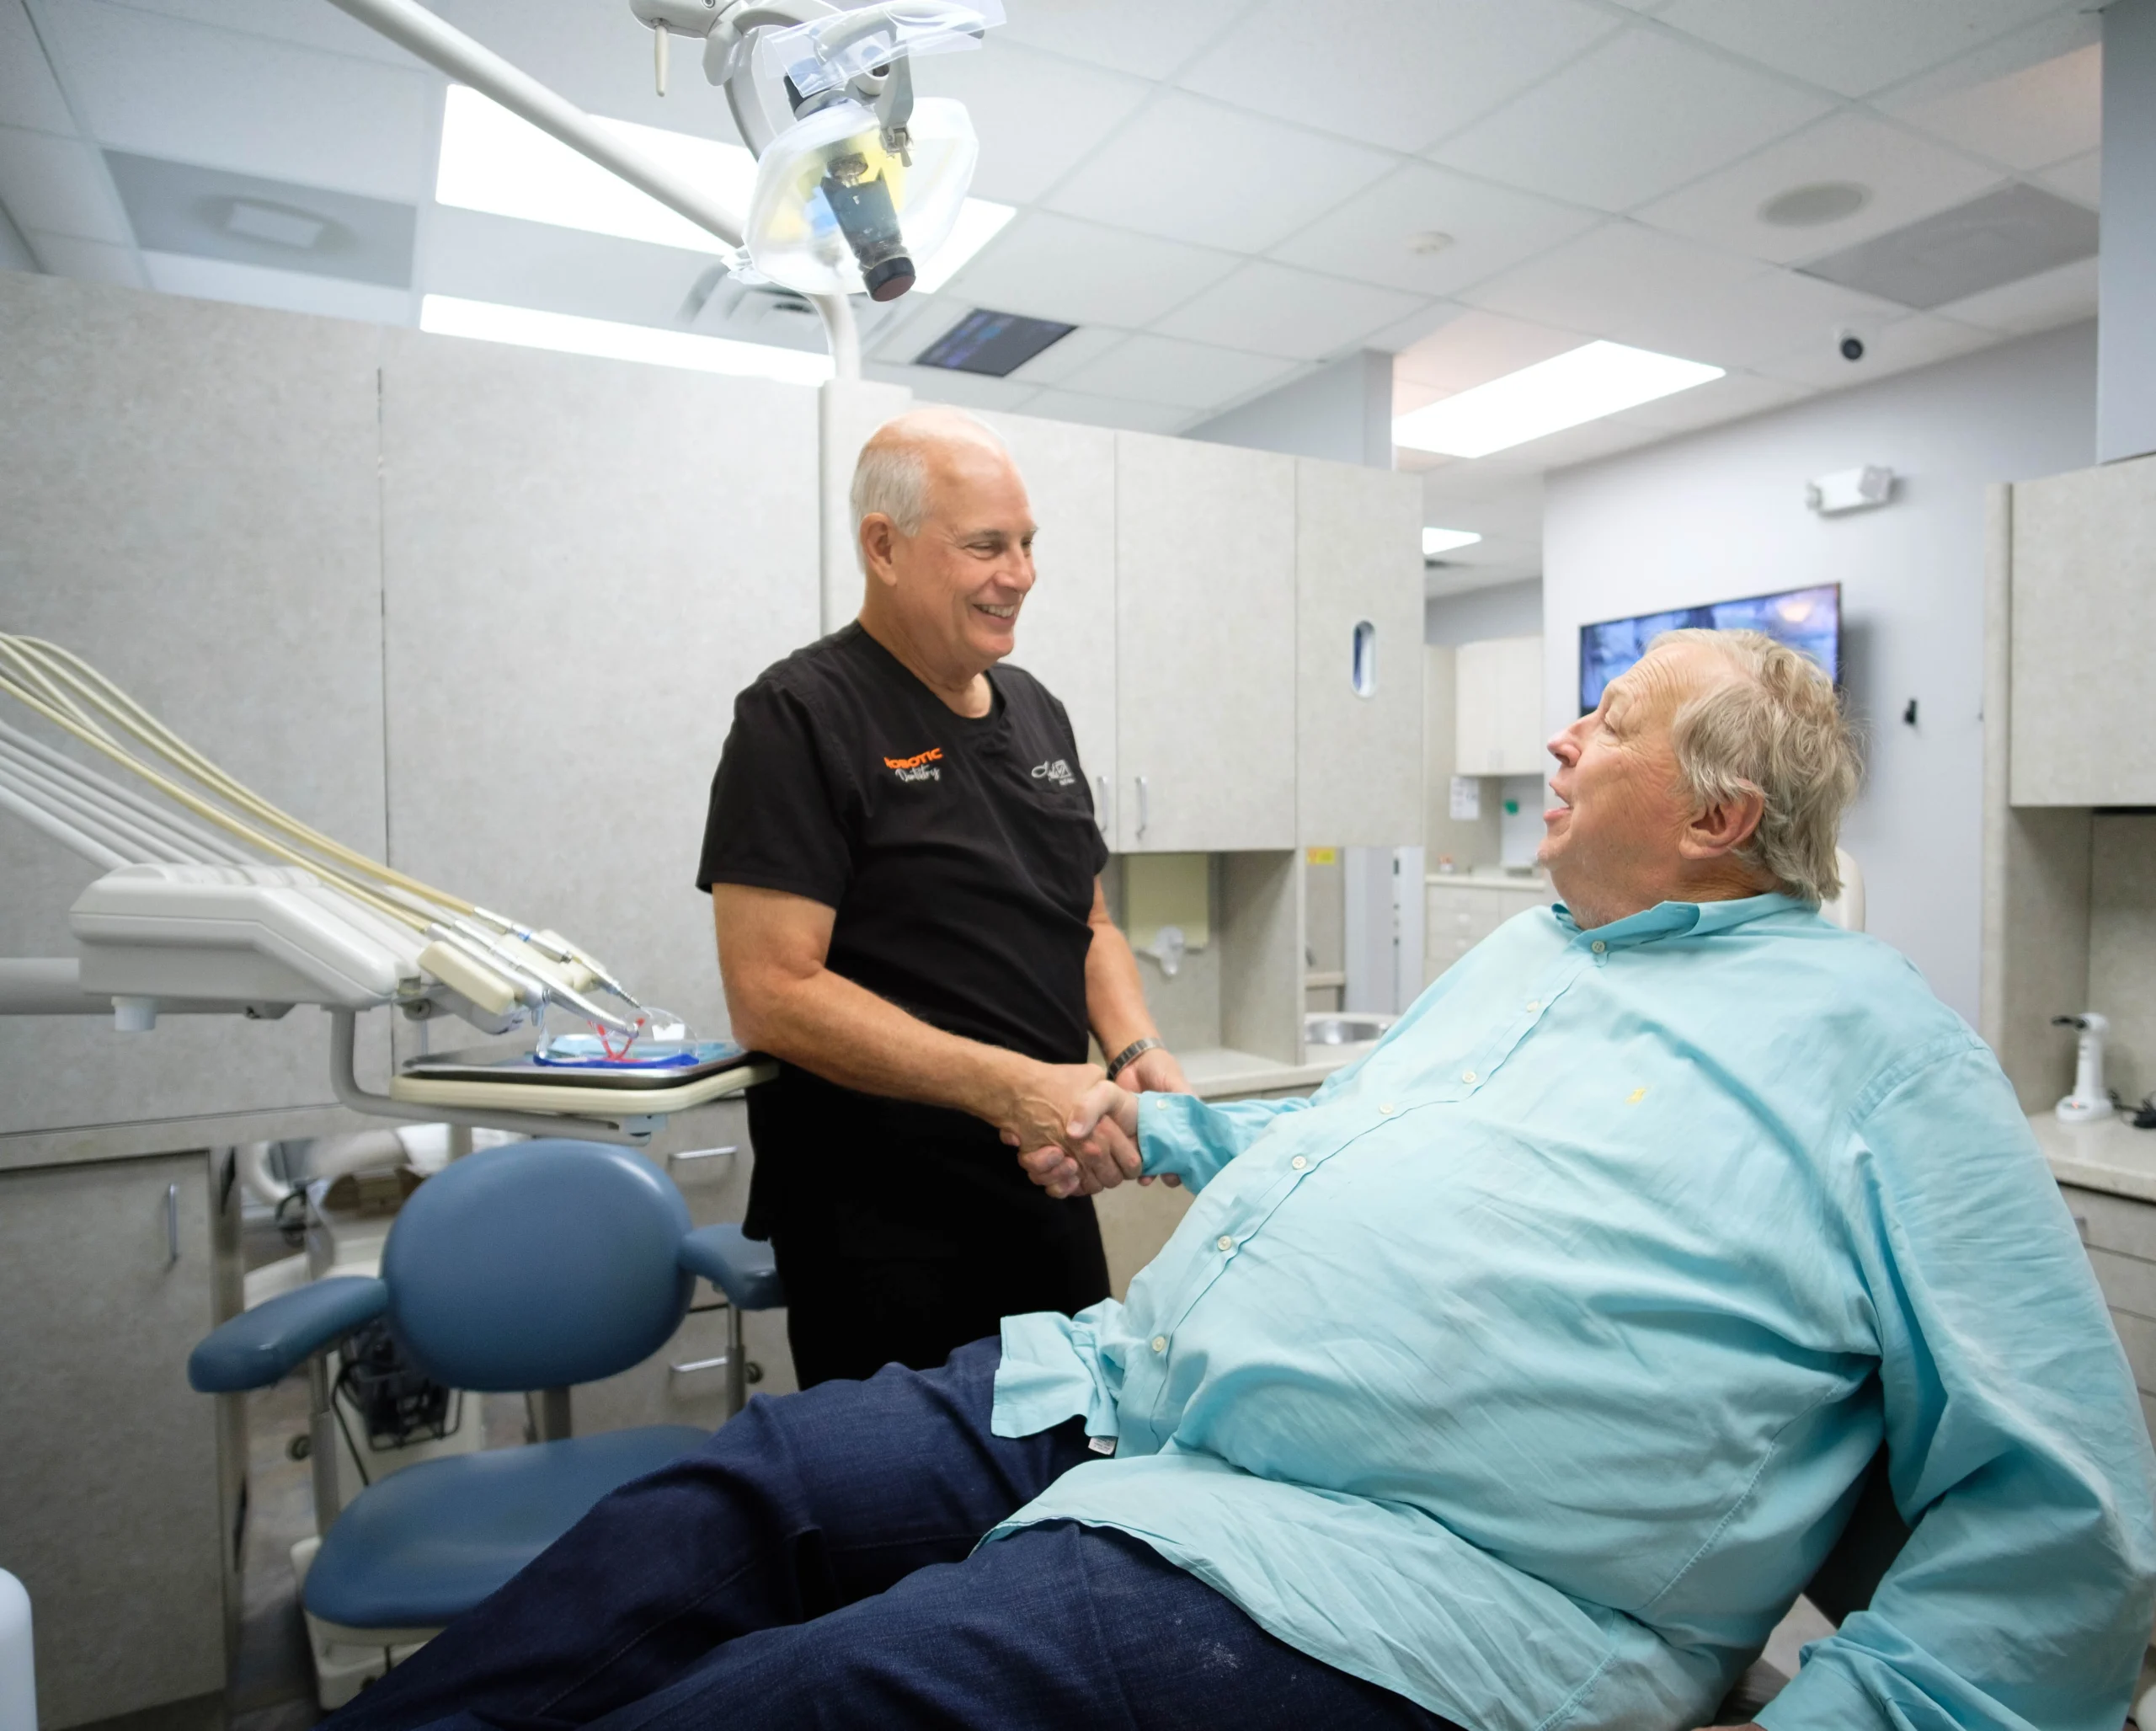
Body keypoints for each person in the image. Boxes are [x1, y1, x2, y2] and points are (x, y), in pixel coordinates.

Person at [331, 629, 2156, 1731]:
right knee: (717, 1502)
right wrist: (1161, 1121)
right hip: (1123, 1399)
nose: (1557, 740)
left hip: (1375, 1569)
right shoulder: (1536, 957)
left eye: (1602, 720)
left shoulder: (1879, 1048)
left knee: (812, 1694)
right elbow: (1357, 1145)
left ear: (1713, 817)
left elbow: (2066, 1519)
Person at [693, 408, 1186, 1387]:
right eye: (985, 547)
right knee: (907, 1509)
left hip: (1044, 1183)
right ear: (884, 545)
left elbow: (1084, 921)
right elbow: (771, 991)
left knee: (1065, 1466)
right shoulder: (799, 716)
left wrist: (1136, 1049)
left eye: (1028, 544)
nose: (1021, 574)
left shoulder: (1038, 712)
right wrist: (1012, 1087)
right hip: (879, 1222)